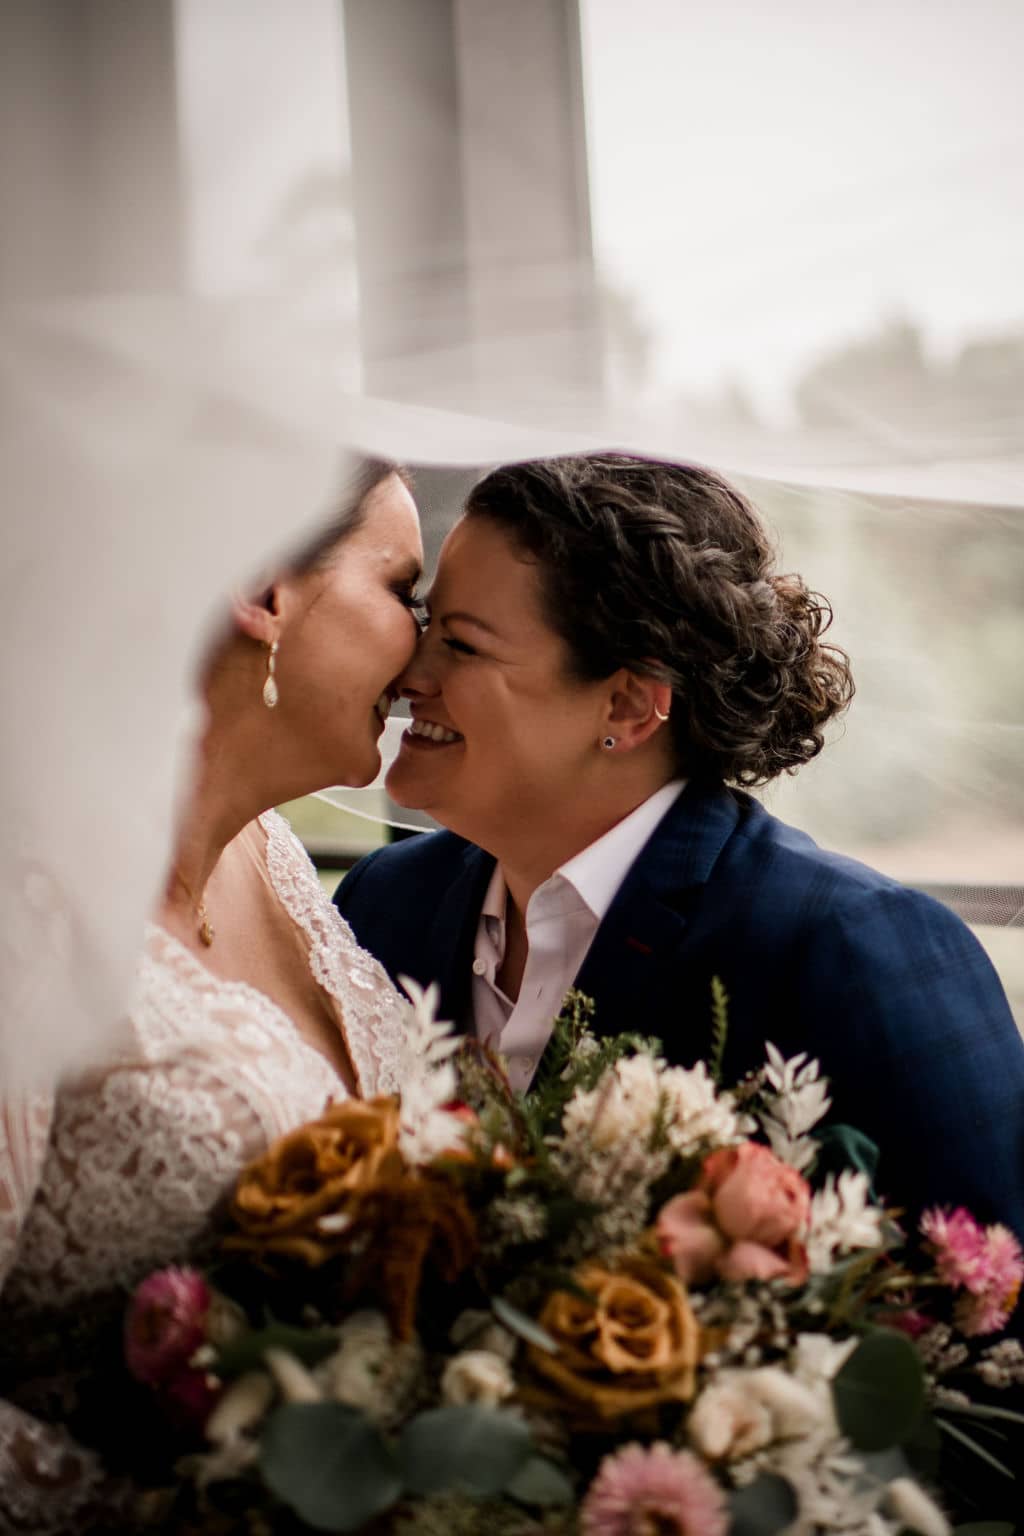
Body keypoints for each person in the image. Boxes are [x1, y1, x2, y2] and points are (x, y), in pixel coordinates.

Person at [336, 451, 1024, 1243]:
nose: (408, 670)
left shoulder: (855, 951)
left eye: (461, 644)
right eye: (424, 623)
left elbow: (992, 1309)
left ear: (627, 706)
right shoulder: (381, 905)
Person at [0, 458, 424, 1531]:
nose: (425, 654)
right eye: (401, 592)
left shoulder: (277, 859)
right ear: (266, 594)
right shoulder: (27, 897)